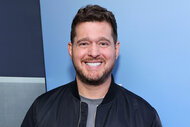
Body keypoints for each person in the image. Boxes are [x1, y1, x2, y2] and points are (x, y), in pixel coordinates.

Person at [21, 5, 162, 127]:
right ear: (71, 49)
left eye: (103, 43)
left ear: (116, 49)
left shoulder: (144, 117)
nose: (94, 53)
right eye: (84, 43)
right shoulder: (41, 110)